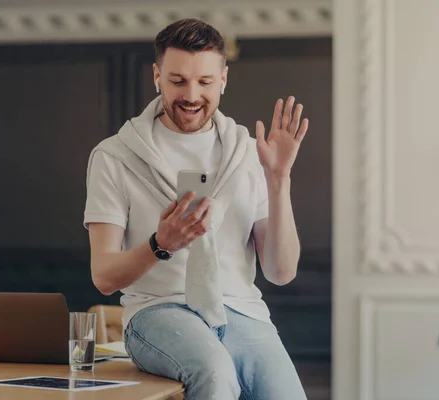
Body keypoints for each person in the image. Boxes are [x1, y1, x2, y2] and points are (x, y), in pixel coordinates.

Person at [83, 18, 309, 399]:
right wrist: (160, 243)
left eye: (204, 82)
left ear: (223, 79)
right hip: (157, 312)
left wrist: (279, 179)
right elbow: (104, 276)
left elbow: (281, 272)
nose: (191, 95)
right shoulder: (115, 156)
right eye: (177, 81)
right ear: (157, 76)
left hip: (242, 312)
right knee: (215, 373)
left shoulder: (246, 153)